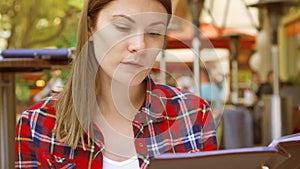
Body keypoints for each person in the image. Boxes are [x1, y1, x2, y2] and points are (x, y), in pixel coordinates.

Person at [15, 0, 217, 168]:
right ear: (90, 28)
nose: (139, 45)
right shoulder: (37, 124)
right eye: (122, 27)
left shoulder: (193, 114)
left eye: (154, 32)